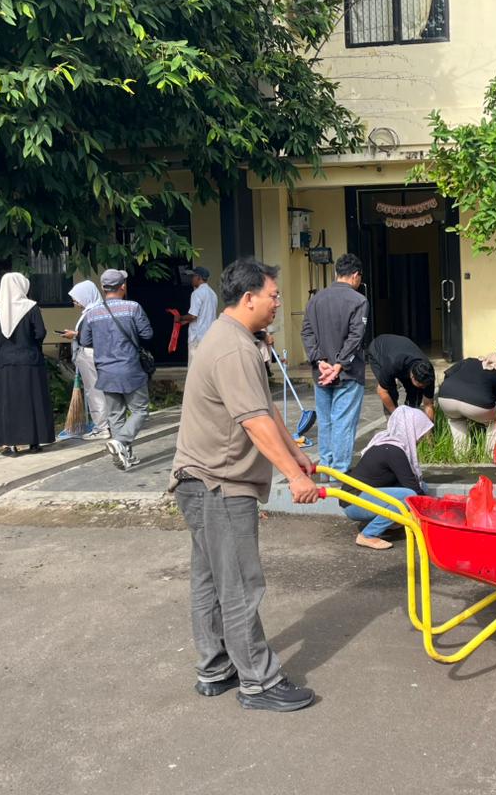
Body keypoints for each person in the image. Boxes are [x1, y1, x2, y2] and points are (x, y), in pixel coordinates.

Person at [167, 257, 320, 713]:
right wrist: (294, 477)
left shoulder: (235, 339)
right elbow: (253, 421)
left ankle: (215, 667)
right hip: (218, 484)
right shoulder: (233, 348)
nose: (278, 303)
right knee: (238, 583)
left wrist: (296, 455)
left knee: (212, 580)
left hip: (201, 480)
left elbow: (264, 409)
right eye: (273, 296)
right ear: (249, 298)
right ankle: (259, 681)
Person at [301, 253, 369, 477]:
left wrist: (319, 361)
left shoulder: (316, 299)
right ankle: (339, 472)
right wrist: (339, 365)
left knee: (326, 422)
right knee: (343, 422)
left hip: (321, 372)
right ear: (356, 275)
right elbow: (355, 337)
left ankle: (326, 470)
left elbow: (307, 332)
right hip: (348, 373)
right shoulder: (358, 300)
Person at [79, 268, 154, 471]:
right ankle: (120, 441)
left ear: (103, 288)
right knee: (140, 410)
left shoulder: (92, 313)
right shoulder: (133, 308)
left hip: (105, 371)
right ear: (123, 286)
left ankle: (125, 455)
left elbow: (84, 340)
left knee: (115, 415)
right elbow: (147, 334)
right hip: (130, 368)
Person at [341, 406, 433, 550]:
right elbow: (412, 488)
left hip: (357, 496)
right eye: (420, 432)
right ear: (411, 429)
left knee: (421, 488)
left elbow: (412, 482)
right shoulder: (394, 451)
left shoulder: (387, 443)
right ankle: (368, 535)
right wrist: (433, 513)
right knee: (409, 495)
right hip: (354, 502)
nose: (420, 438)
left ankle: (392, 520)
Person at [0, 273, 55, 456]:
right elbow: (40, 333)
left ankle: (11, 445)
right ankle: (34, 442)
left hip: (5, 363)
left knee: (8, 403)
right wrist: (32, 344)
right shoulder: (31, 307)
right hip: (30, 361)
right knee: (32, 400)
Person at [60, 280, 109, 440]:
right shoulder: (96, 310)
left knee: (95, 392)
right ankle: (106, 424)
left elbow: (91, 336)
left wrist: (74, 335)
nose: (75, 303)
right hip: (93, 355)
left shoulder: (93, 312)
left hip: (90, 355)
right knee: (98, 391)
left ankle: (102, 427)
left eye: (77, 299)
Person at [436, 353, 496, 454]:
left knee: (456, 420)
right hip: (478, 403)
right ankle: (490, 454)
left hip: (446, 397)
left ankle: (461, 454)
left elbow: (447, 374)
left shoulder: (469, 361)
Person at [367, 334, 436, 421]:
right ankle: (392, 422)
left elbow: (428, 404)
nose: (424, 387)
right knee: (391, 392)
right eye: (421, 385)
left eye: (424, 385)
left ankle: (410, 419)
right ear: (412, 377)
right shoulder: (393, 364)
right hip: (378, 350)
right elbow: (382, 391)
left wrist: (430, 427)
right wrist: (396, 415)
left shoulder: (428, 372)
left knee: (415, 392)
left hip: (400, 350)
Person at [178, 266, 219, 367]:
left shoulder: (196, 293)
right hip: (210, 336)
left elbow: (193, 316)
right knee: (207, 367)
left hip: (197, 338)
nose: (191, 279)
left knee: (194, 368)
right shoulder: (213, 294)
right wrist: (186, 321)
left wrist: (180, 318)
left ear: (198, 277)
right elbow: (204, 315)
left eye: (192, 276)